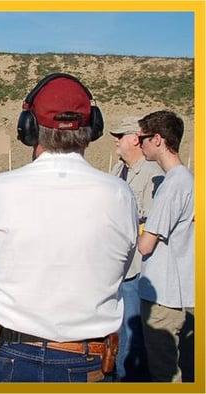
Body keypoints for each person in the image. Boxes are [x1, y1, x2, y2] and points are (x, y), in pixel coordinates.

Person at [0, 73, 138, 382]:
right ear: (94, 128)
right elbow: (120, 264)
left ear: (29, 127)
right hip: (88, 360)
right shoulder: (120, 194)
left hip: (15, 352)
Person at [136, 110, 194, 382]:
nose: (140, 144)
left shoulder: (173, 185)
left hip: (163, 297)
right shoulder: (186, 181)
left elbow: (146, 245)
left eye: (143, 138)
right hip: (178, 292)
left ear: (158, 139)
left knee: (164, 374)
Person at [109, 116, 164, 381]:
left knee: (133, 336)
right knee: (118, 332)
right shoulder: (118, 171)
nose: (116, 143)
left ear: (134, 138)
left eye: (120, 137)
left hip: (137, 271)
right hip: (117, 267)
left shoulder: (153, 176)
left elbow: (151, 224)